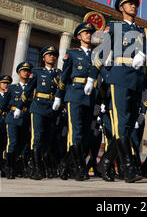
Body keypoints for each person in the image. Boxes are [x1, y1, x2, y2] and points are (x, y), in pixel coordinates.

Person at [96, 0, 147, 183]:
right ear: (121, 7)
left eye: (135, 3)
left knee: (126, 127)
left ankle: (105, 163)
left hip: (136, 81)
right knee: (120, 125)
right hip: (119, 77)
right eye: (129, 3)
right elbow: (98, 58)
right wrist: (109, 77)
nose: (133, 6)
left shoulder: (142, 31)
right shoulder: (113, 27)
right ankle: (128, 169)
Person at [56, 22, 99, 181]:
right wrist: (59, 96)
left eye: (90, 33)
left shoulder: (96, 55)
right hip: (74, 94)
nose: (89, 35)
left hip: (90, 96)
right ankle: (79, 167)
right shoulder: (72, 54)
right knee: (75, 132)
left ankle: (66, 165)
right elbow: (64, 76)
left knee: (85, 134)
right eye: (85, 33)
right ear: (79, 36)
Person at [16, 45, 62, 180]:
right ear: (43, 58)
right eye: (49, 55)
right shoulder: (36, 72)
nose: (52, 57)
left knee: (49, 139)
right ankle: (35, 167)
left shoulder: (59, 74)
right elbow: (28, 90)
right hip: (38, 107)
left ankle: (43, 165)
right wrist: (19, 106)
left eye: (54, 55)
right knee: (37, 137)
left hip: (52, 108)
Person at [0, 62, 33, 179]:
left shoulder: (32, 88)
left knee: (23, 144)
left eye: (28, 71)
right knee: (12, 142)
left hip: (26, 117)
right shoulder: (12, 88)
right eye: (24, 70)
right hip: (13, 117)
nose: (26, 73)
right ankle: (10, 167)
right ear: (19, 73)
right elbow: (3, 104)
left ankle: (21, 168)